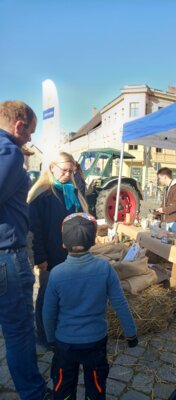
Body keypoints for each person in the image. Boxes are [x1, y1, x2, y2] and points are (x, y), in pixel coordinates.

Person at [43, 212, 137, 399]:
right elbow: (120, 303)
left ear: (63, 244)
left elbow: (48, 312)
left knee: (63, 386)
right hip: (95, 343)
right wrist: (131, 333)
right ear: (93, 242)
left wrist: (50, 338)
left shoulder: (56, 274)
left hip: (65, 343)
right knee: (95, 387)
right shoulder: (104, 269)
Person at [0, 101, 49, 399]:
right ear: (19, 125)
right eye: (31, 131)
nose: (31, 138)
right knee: (19, 332)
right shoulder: (9, 152)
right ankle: (34, 393)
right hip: (7, 256)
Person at [28, 152, 88, 349]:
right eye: (64, 170)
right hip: (50, 257)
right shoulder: (42, 194)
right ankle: (44, 336)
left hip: (71, 256)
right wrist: (40, 258)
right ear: (52, 167)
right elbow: (34, 230)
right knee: (47, 298)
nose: (67, 174)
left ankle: (62, 332)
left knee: (67, 297)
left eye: (71, 171)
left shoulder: (72, 191)